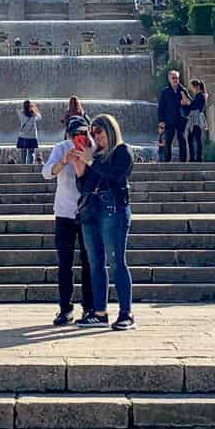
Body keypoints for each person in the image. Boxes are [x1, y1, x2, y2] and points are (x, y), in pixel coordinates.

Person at [72, 114, 134, 329]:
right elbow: (83, 187)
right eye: (93, 132)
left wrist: (90, 161)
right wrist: (80, 169)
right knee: (96, 264)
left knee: (116, 261)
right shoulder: (94, 155)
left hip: (113, 210)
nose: (95, 136)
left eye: (99, 131)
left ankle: (126, 313)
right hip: (91, 212)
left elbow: (115, 176)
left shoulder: (122, 151)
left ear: (110, 129)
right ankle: (99, 313)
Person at [43, 115, 96, 325]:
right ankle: (65, 309)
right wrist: (63, 161)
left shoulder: (93, 147)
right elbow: (46, 172)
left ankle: (89, 307)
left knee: (89, 262)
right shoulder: (61, 148)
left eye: (83, 133)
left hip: (88, 212)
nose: (79, 138)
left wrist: (87, 159)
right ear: (68, 135)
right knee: (65, 262)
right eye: (76, 134)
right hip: (64, 212)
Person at [157, 70, 188, 163]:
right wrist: (161, 120)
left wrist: (184, 101)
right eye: (173, 78)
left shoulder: (183, 90)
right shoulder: (165, 92)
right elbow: (161, 107)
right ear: (169, 79)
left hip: (181, 120)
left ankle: (183, 161)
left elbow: (189, 103)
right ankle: (167, 161)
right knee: (168, 141)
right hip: (168, 120)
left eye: (177, 78)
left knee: (182, 140)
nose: (175, 80)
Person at [185, 79, 208, 163]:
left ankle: (195, 157)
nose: (192, 90)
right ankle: (196, 157)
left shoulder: (200, 96)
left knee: (193, 138)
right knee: (195, 138)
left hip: (196, 118)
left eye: (192, 88)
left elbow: (195, 107)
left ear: (197, 87)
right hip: (196, 118)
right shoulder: (199, 95)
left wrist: (188, 104)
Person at [16, 99, 42, 165]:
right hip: (32, 137)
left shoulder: (21, 114)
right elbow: (40, 117)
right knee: (31, 154)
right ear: (30, 107)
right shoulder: (34, 115)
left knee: (23, 154)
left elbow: (17, 109)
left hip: (23, 136)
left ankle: (23, 167)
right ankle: (30, 167)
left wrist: (24, 108)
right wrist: (35, 108)